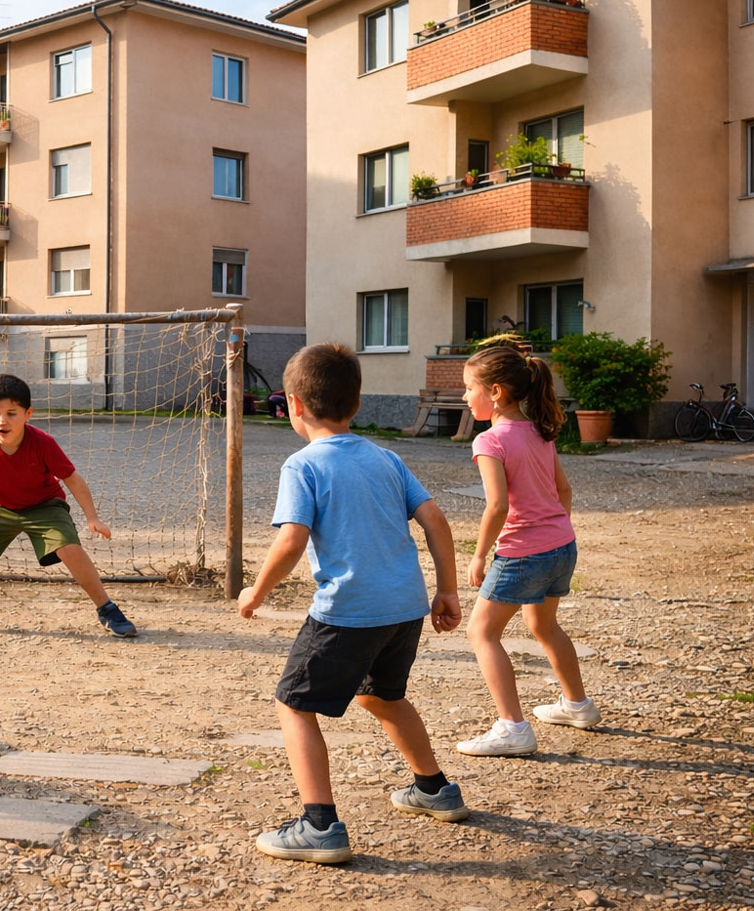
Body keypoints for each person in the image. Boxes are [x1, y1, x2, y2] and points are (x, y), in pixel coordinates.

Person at [238, 343, 468, 864]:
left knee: (294, 704)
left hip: (349, 610)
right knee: (381, 695)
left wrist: (257, 590)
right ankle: (433, 789)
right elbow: (435, 520)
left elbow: (292, 540)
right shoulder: (385, 457)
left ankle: (319, 825)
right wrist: (447, 589)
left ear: (292, 405)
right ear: (357, 403)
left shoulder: (303, 464)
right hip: (404, 607)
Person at [0, 373, 136, 638]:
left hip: (45, 506)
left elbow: (72, 479)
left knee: (70, 549)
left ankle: (107, 609)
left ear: (28, 414)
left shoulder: (43, 444)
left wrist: (92, 517)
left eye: (11, 413)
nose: (2, 421)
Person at [455, 345, 599, 757]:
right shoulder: (540, 431)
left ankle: (512, 728)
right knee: (544, 626)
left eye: (469, 388)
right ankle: (577, 705)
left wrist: (480, 555)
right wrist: (556, 531)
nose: (466, 396)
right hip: (561, 545)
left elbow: (497, 506)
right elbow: (564, 490)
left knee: (481, 632)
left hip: (521, 553)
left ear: (495, 392)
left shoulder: (490, 440)